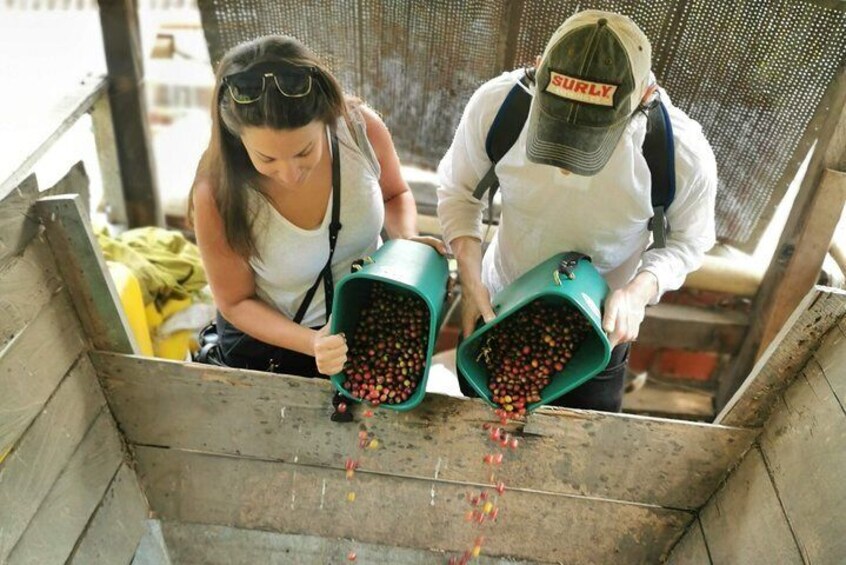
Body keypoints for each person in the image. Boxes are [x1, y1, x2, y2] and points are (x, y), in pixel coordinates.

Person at [437, 10, 717, 412]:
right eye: (555, 131)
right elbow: (458, 191)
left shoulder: (681, 155)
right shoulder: (499, 107)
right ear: (538, 71)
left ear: (645, 96)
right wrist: (470, 277)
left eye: (588, 140)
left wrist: (640, 291)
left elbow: (689, 242)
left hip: (598, 330)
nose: (566, 163)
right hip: (498, 305)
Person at [190, 35, 444, 379]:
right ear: (238, 138)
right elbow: (235, 302)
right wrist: (313, 342)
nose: (290, 173)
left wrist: (406, 238)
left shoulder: (359, 129)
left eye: (305, 151)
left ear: (328, 116)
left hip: (367, 327)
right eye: (267, 158)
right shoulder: (216, 193)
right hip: (276, 351)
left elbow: (394, 194)